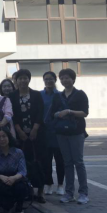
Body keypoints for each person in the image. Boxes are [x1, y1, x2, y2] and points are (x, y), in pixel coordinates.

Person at [51, 69, 90, 205]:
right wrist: (59, 114)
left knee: (78, 162)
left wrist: (69, 111)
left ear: (73, 79)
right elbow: (52, 113)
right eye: (62, 78)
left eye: (67, 78)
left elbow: (85, 113)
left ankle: (83, 193)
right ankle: (69, 193)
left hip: (77, 132)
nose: (64, 80)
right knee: (67, 162)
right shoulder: (58, 96)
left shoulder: (80, 94)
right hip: (62, 132)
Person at [10, 69, 47, 204]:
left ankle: (41, 191)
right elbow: (12, 115)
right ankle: (27, 190)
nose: (23, 80)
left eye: (25, 78)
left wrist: (35, 129)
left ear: (29, 79)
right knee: (23, 162)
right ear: (16, 80)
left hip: (37, 134)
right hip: (20, 134)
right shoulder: (12, 96)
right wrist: (19, 131)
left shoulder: (36, 94)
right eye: (20, 78)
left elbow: (40, 112)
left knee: (40, 161)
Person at [0, 127, 28, 213]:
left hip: (16, 179)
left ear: (9, 137)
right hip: (1, 180)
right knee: (5, 203)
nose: (2, 139)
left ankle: (19, 209)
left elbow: (23, 171)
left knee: (21, 187)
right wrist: (1, 177)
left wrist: (13, 178)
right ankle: (7, 206)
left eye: (4, 136)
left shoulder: (18, 152)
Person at [41, 72, 65, 197]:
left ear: (55, 80)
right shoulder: (40, 95)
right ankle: (48, 183)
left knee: (60, 160)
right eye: (46, 79)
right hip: (44, 132)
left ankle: (60, 185)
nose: (48, 81)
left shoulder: (60, 95)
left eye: (51, 79)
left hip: (57, 131)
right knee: (46, 160)